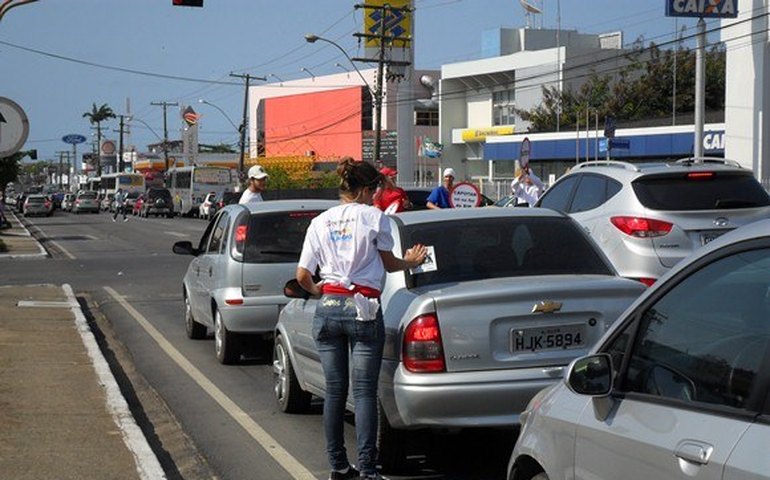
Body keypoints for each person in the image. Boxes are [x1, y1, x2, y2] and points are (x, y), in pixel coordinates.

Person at [296, 157, 427, 480]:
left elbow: (301, 275)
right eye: (376, 190)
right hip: (363, 309)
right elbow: (388, 263)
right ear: (367, 190)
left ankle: (338, 466)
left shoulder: (320, 221)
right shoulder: (375, 218)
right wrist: (409, 261)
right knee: (365, 391)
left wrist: (319, 290)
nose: (378, 196)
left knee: (334, 391)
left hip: (327, 307)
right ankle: (368, 469)